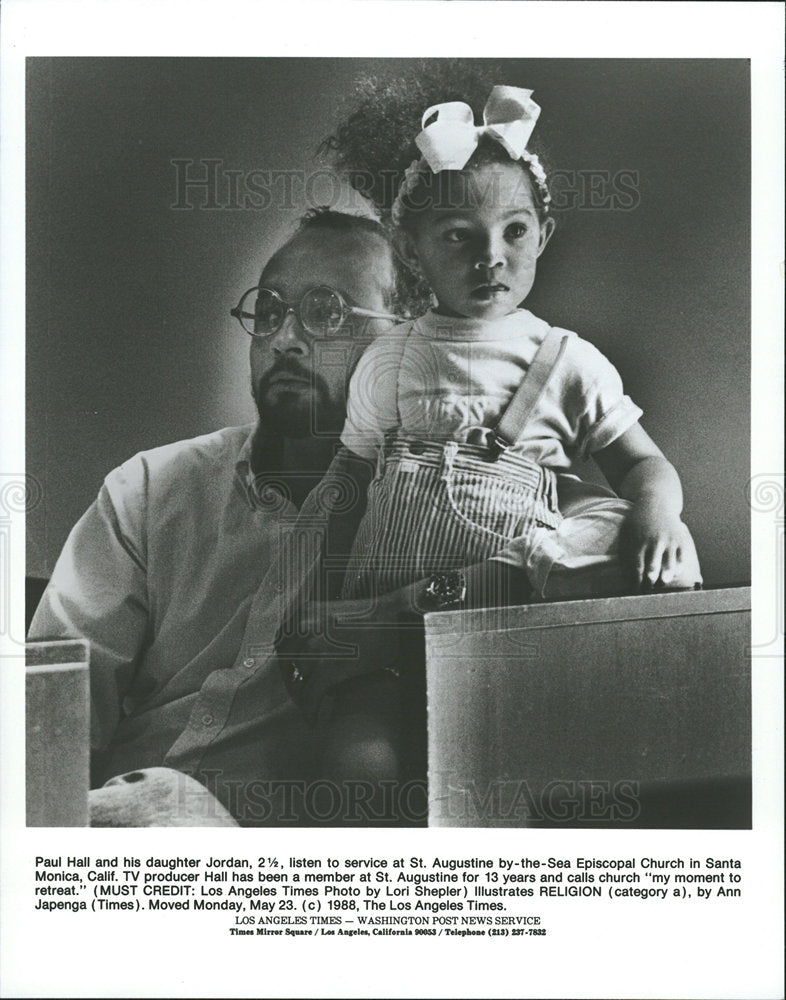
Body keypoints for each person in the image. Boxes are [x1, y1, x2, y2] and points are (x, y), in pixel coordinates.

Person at [286, 86, 703, 784]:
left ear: (542, 234)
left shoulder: (566, 359)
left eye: (513, 232)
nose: (491, 257)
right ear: (411, 252)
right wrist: (310, 592)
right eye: (458, 236)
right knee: (360, 764)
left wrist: (662, 515)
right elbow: (348, 484)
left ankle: (433, 609)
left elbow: (644, 467)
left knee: (624, 549)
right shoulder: (390, 359)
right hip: (382, 635)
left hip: (502, 630)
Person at [27, 208, 403, 826]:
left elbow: (591, 531)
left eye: (326, 311)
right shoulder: (148, 489)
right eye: (271, 309)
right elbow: (44, 714)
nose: (284, 337)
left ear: (406, 342)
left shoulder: (435, 505)